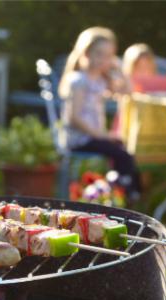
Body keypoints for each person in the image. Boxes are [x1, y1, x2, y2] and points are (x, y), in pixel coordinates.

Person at [59, 27, 142, 202]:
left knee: (125, 147)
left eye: (108, 55)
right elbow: (73, 117)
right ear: (86, 53)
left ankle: (121, 188)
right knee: (121, 154)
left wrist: (120, 69)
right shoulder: (79, 80)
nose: (103, 60)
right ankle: (127, 192)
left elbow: (128, 92)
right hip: (80, 139)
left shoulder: (101, 80)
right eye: (99, 54)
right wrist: (101, 135)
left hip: (95, 137)